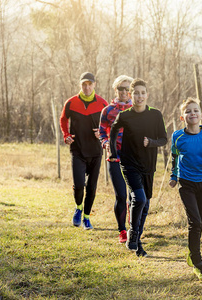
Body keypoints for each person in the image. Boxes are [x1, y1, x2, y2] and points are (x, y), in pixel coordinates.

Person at [109, 78, 167, 257]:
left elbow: (164, 139)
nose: (139, 96)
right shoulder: (125, 116)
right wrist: (113, 153)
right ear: (130, 95)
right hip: (129, 164)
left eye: (143, 93)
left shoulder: (155, 115)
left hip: (148, 166)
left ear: (147, 95)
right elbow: (113, 132)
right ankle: (133, 234)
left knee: (145, 204)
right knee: (139, 199)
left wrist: (151, 143)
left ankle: (137, 242)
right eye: (136, 93)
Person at [169, 97, 202, 281]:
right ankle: (199, 265)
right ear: (182, 117)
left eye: (196, 110)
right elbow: (175, 158)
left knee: (201, 222)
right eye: (188, 111)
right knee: (195, 222)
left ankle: (191, 252)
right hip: (186, 183)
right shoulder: (177, 137)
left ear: (201, 115)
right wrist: (173, 177)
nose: (192, 113)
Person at [60, 72, 108, 230]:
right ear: (80, 85)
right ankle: (78, 208)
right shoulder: (71, 102)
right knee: (79, 185)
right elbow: (63, 119)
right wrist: (66, 135)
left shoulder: (102, 104)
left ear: (94, 84)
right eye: (84, 84)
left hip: (95, 151)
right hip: (78, 150)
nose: (87, 87)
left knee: (92, 187)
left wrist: (102, 134)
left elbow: (110, 124)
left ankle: (87, 217)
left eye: (90, 84)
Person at [99, 75, 133, 244]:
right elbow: (102, 131)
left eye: (127, 89)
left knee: (135, 196)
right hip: (115, 157)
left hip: (134, 158)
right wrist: (105, 143)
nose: (124, 92)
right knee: (121, 195)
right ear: (116, 90)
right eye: (121, 89)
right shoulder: (108, 110)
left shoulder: (138, 109)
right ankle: (122, 231)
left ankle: (134, 226)